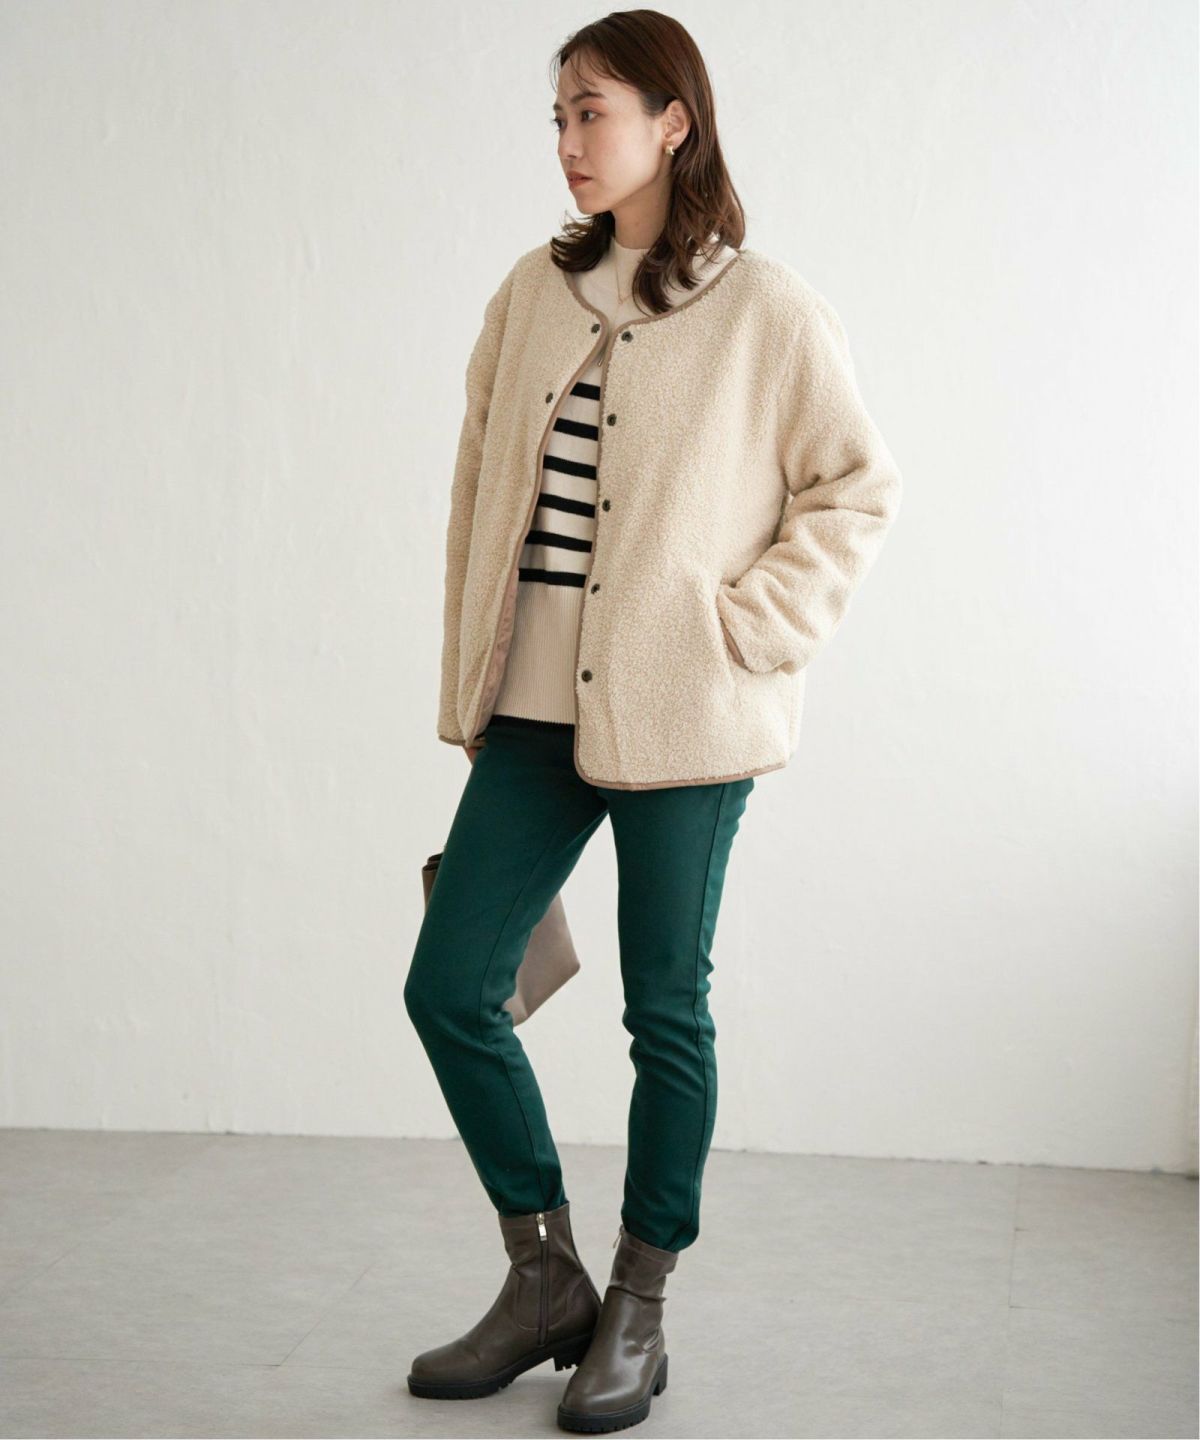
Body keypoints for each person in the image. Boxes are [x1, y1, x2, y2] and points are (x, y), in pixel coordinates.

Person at [404, 9, 903, 1433]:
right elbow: (479, 489)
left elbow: (856, 488)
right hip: (531, 709)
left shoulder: (766, 310)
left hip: (687, 710)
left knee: (662, 1009)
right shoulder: (532, 292)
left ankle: (638, 1303)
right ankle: (543, 1277)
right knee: (450, 986)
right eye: (558, 115)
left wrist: (745, 632)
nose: (569, 141)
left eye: (595, 112)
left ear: (673, 122)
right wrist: (470, 673)